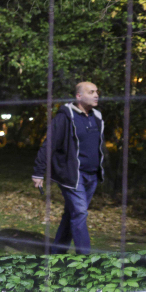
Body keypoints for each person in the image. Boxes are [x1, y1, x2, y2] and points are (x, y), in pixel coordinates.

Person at [32, 81, 107, 255]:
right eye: (91, 92)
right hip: (72, 175)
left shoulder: (97, 116)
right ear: (79, 96)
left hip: (92, 176)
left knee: (72, 214)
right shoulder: (65, 117)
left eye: (97, 91)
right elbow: (48, 144)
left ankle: (57, 252)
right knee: (80, 213)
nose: (96, 95)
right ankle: (85, 259)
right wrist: (38, 172)